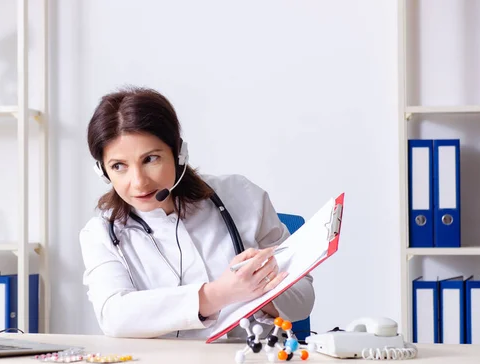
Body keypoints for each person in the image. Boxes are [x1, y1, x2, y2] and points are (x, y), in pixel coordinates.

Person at [80, 86, 315, 339]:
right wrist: (221, 293)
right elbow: (115, 317)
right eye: (119, 166)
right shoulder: (101, 233)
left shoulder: (243, 196)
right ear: (104, 172)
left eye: (151, 159)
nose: (138, 182)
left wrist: (256, 290)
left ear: (179, 153)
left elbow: (303, 299)